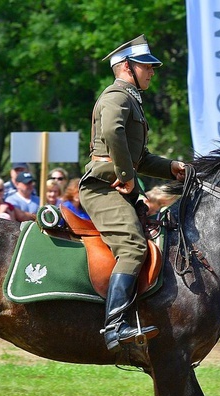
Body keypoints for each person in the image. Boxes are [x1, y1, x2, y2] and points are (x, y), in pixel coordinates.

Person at [78, 34, 186, 352]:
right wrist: (126, 177)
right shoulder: (117, 96)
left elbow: (140, 157)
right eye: (146, 66)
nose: (152, 72)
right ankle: (114, 327)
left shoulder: (130, 99)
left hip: (117, 185)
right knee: (134, 248)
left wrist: (173, 168)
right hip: (103, 187)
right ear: (127, 66)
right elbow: (113, 132)